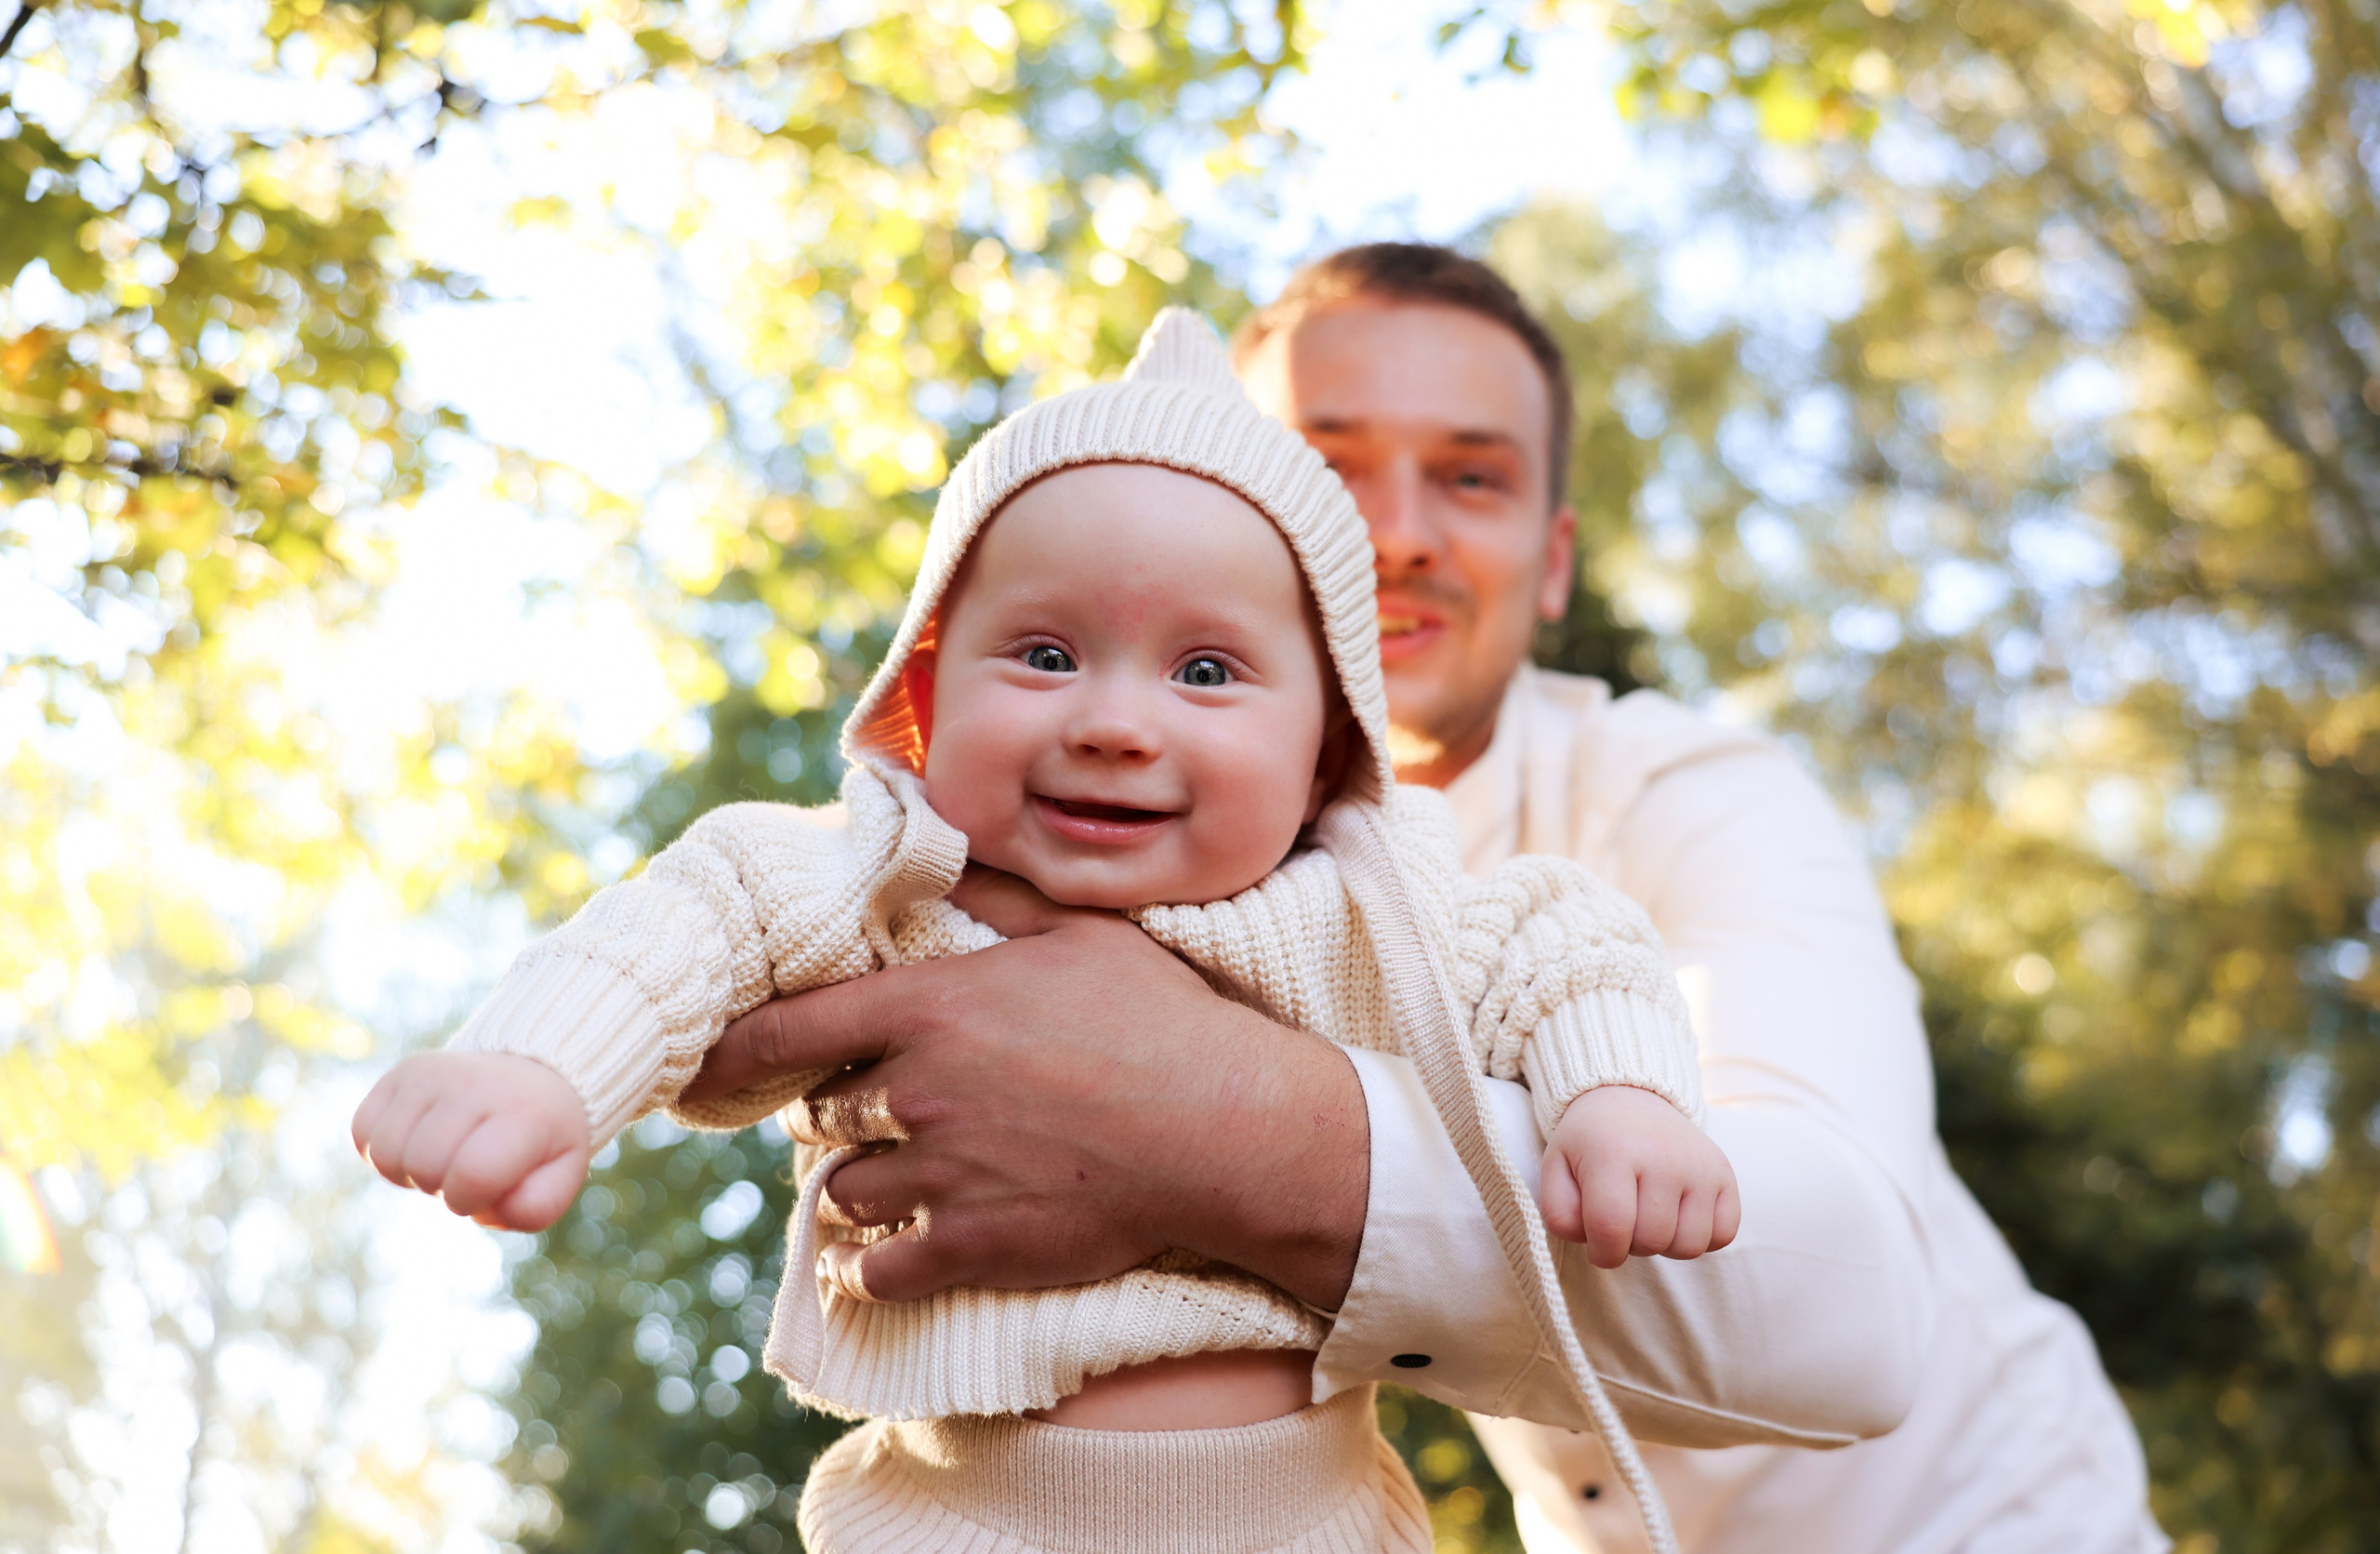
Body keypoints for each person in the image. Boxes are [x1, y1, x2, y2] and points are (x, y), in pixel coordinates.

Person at [683, 246, 2169, 1554]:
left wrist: (1204, 1121)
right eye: (1326, 467)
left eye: (1472, 476)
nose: (1393, 530)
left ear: (1553, 562)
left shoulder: (1681, 794)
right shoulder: (1050, 851)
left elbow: (1849, 1317)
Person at [353, 309, 1738, 1554]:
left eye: (1207, 671)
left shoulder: (1363, 909)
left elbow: (1565, 945)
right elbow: (682, 925)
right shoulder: (878, 883)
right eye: (1046, 654)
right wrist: (533, 1069)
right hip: (951, 1525)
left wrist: (1619, 1096)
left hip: (1309, 1527)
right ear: (923, 701)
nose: (1114, 721)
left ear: (1327, 752)